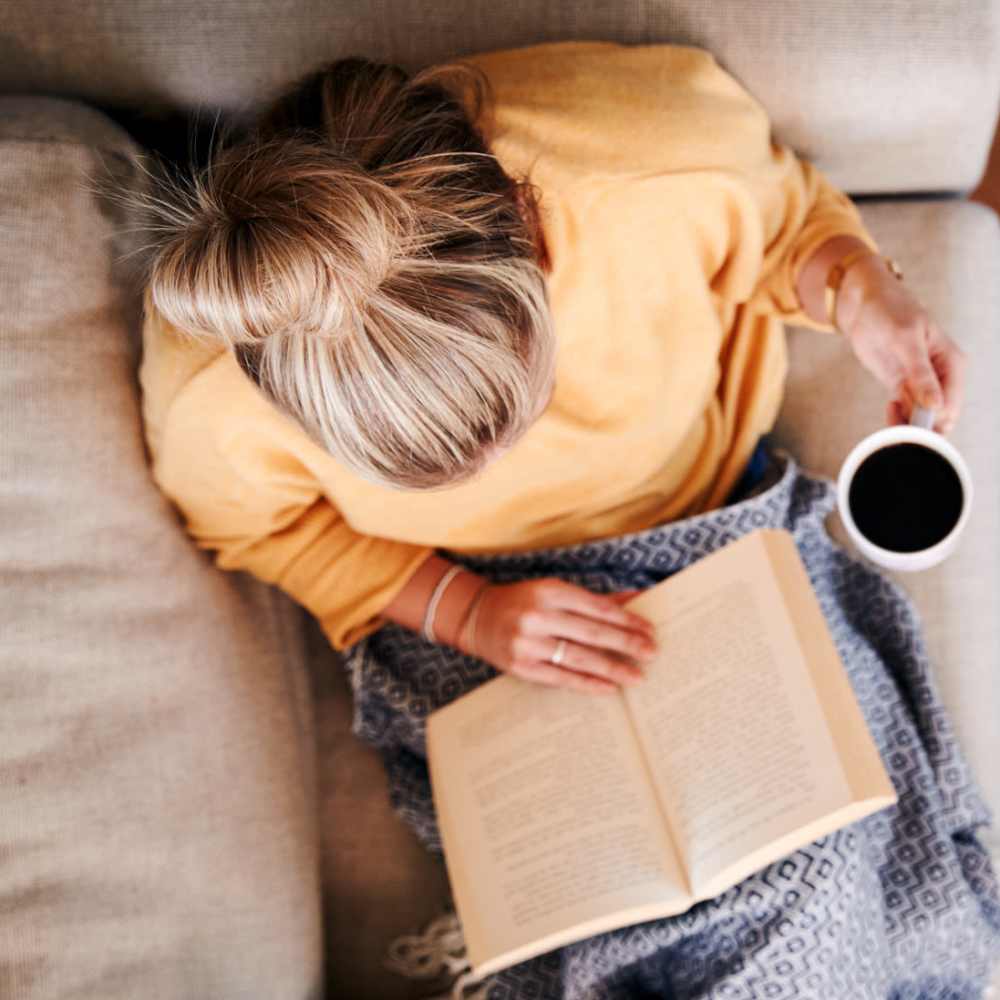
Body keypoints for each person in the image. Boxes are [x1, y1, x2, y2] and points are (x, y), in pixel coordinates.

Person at [134, 42, 996, 998]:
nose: (503, 468)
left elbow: (784, 224)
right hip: (470, 612)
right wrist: (467, 612)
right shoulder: (217, 375)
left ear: (529, 221)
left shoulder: (651, 157)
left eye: (523, 409)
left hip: (714, 538)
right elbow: (259, 530)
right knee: (601, 925)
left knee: (826, 857)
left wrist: (859, 287)